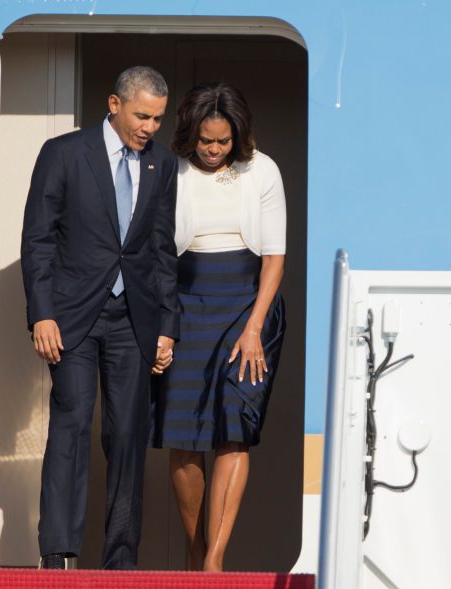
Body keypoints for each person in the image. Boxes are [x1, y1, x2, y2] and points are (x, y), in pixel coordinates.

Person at [20, 66, 180, 570]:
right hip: (71, 318)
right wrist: (41, 314)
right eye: (141, 115)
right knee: (70, 425)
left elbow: (162, 249)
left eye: (157, 118)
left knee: (129, 436)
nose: (149, 127)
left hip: (135, 318)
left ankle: (121, 559)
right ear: (114, 104)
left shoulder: (163, 166)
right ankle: (59, 553)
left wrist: (167, 327)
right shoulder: (64, 153)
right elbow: (38, 240)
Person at [150, 82, 286, 571]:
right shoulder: (172, 170)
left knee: (233, 428)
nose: (213, 150)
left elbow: (274, 257)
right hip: (185, 301)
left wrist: (253, 329)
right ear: (191, 134)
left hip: (248, 305)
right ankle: (195, 549)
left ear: (238, 135)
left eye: (222, 141)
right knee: (184, 435)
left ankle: (215, 561)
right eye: (205, 140)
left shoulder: (262, 170)